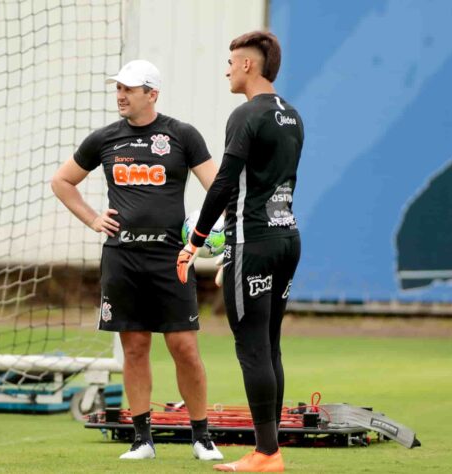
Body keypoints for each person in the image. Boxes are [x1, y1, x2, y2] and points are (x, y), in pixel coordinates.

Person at [52, 59, 223, 461]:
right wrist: (93, 218)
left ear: (152, 94)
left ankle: (202, 437)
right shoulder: (105, 139)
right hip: (122, 258)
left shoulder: (182, 135)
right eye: (118, 88)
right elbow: (62, 181)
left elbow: (218, 186)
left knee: (184, 347)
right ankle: (142, 439)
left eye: (129, 89)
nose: (121, 95)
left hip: (171, 259)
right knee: (134, 347)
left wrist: (207, 235)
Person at [176, 31, 303, 473]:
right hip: (287, 237)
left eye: (231, 61)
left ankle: (266, 454)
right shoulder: (293, 115)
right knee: (270, 347)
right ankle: (269, 450)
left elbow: (225, 184)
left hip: (253, 242)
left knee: (252, 349)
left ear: (249, 65)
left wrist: (196, 243)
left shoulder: (246, 114)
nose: (226, 69)